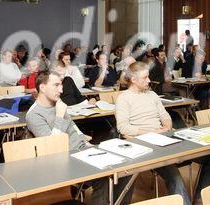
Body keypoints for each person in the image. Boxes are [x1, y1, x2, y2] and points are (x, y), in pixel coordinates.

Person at [26, 71, 134, 205]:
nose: (61, 90)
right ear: (42, 87)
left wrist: (88, 145)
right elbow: (53, 148)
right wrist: (59, 116)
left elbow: (73, 128)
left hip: (83, 151)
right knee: (104, 177)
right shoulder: (34, 114)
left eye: (61, 85)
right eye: (56, 85)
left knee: (126, 169)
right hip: (64, 160)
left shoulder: (58, 103)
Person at [116, 62, 194, 205]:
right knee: (175, 177)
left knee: (177, 176)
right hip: (141, 142)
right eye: (145, 78)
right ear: (133, 80)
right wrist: (151, 132)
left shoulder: (152, 94)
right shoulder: (124, 98)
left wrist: (167, 126)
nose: (149, 80)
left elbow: (165, 116)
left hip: (161, 139)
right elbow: (123, 127)